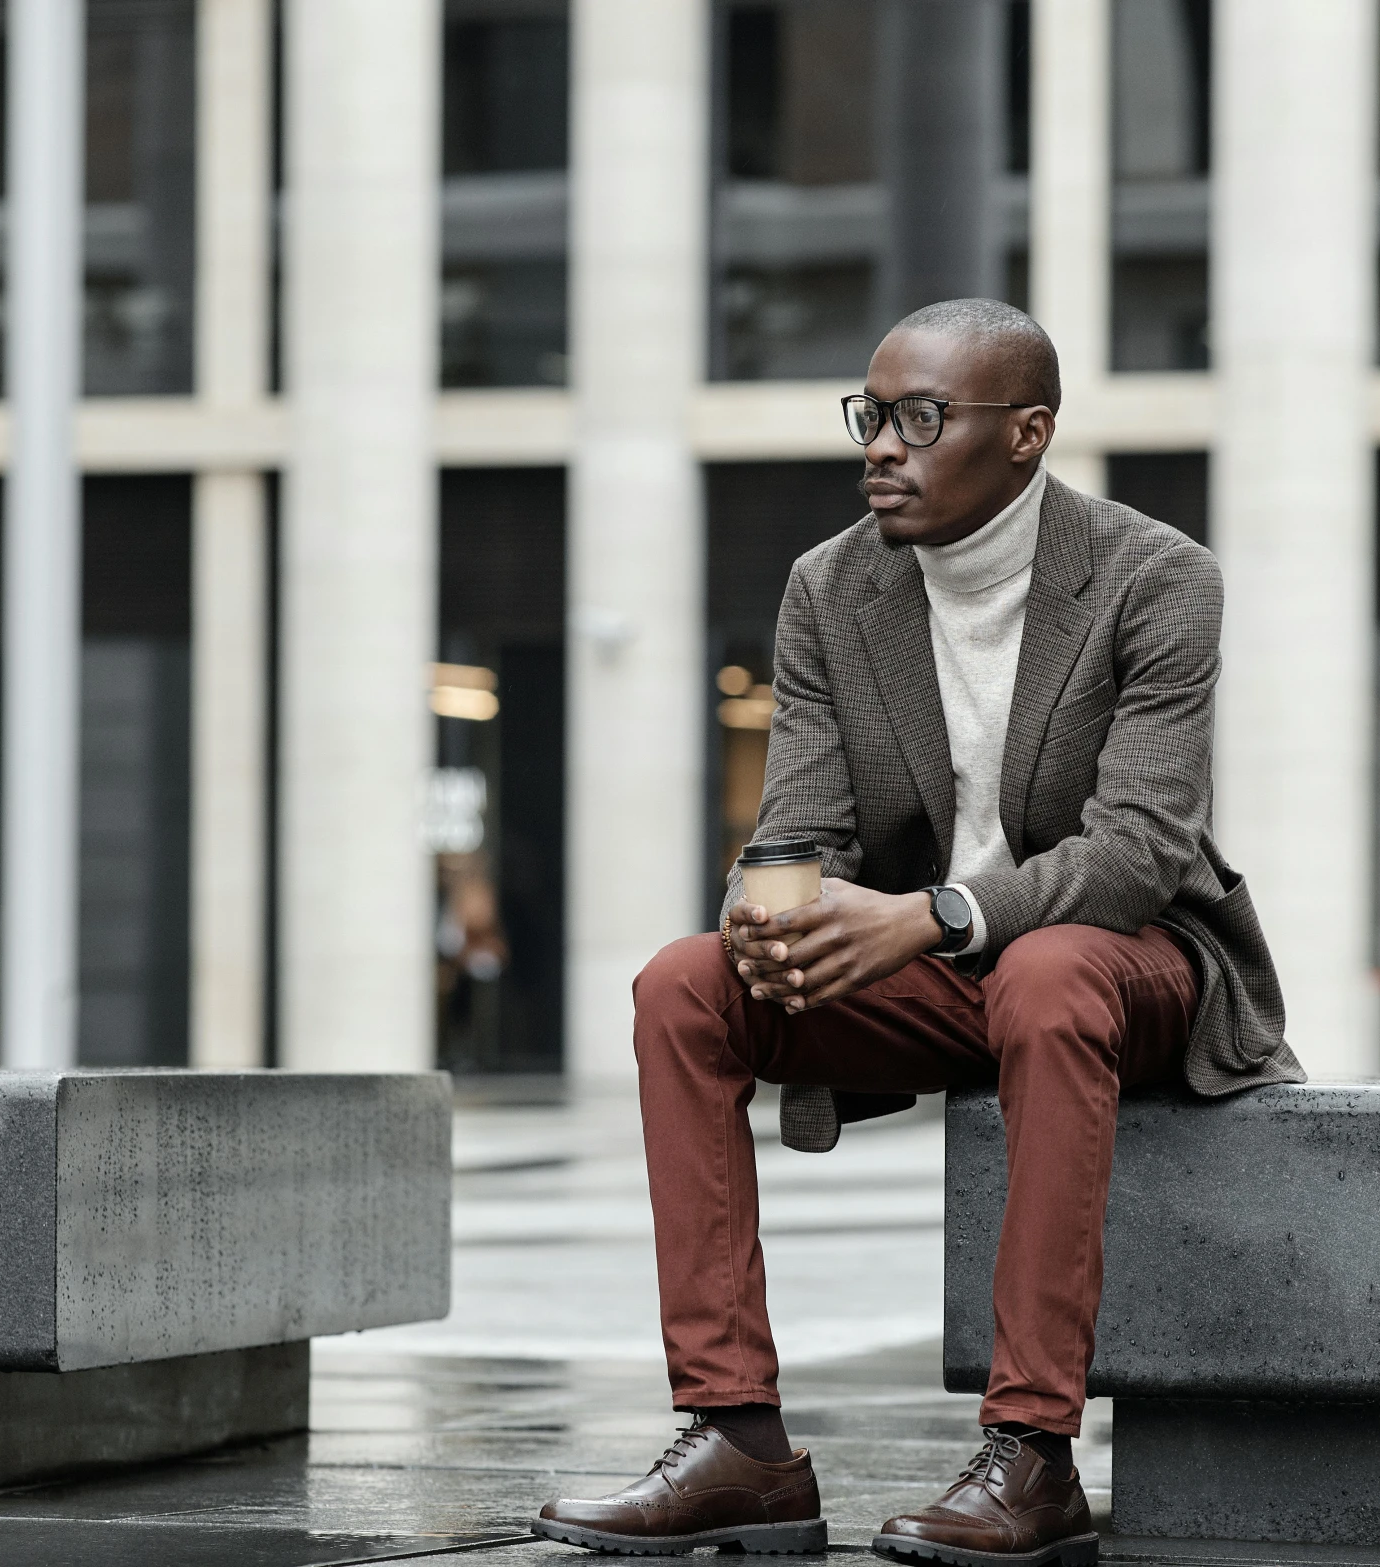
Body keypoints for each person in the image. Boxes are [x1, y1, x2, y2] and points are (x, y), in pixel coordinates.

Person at [530, 299, 1302, 1565]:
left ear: (1026, 434)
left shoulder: (1153, 577)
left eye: (921, 418)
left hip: (1135, 967)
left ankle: (1032, 1455)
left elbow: (1137, 852)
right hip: (941, 976)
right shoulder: (831, 588)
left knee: (1047, 973)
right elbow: (801, 827)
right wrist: (772, 909)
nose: (881, 445)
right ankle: (738, 1443)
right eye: (872, 414)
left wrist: (936, 915)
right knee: (683, 983)